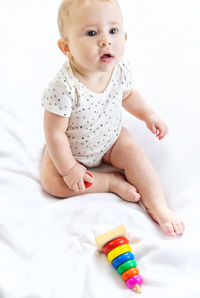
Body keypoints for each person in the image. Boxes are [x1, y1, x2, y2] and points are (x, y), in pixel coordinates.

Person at [40, 0, 185, 237]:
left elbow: (128, 95)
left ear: (124, 36)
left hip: (111, 139)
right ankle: (109, 183)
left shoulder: (119, 70)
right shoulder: (63, 88)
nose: (105, 40)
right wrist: (68, 169)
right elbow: (54, 134)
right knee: (52, 182)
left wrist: (149, 114)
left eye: (113, 31)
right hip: (72, 149)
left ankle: (158, 205)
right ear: (67, 48)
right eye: (92, 33)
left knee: (135, 154)